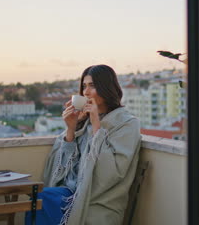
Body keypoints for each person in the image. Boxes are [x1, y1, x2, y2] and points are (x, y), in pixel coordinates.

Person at [26, 64, 142, 225]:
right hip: (73, 194)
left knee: (42, 200)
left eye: (92, 86)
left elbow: (113, 174)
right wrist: (71, 128)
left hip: (100, 203)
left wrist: (96, 126)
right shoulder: (84, 122)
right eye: (84, 86)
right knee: (38, 198)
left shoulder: (127, 124)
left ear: (107, 88)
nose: (86, 92)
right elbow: (67, 171)